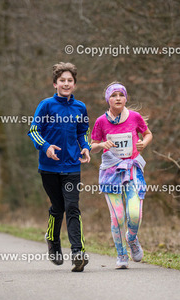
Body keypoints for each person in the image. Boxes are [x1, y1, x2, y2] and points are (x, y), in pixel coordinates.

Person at [27, 62, 91, 272]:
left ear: (74, 84)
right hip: (49, 167)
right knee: (58, 207)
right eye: (62, 80)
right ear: (55, 83)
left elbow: (82, 131)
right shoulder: (46, 105)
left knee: (72, 207)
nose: (66, 84)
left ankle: (78, 253)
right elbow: (34, 130)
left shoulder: (80, 107)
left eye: (69, 80)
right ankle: (53, 241)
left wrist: (85, 147)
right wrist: (45, 147)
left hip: (72, 166)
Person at [90, 82, 153, 269]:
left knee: (134, 213)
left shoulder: (134, 117)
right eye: (113, 95)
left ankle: (131, 239)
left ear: (126, 98)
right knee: (117, 216)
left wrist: (143, 143)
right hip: (111, 173)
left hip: (132, 170)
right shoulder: (101, 121)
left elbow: (148, 134)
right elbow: (92, 146)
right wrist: (101, 145)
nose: (118, 98)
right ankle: (121, 255)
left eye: (121, 95)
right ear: (107, 99)